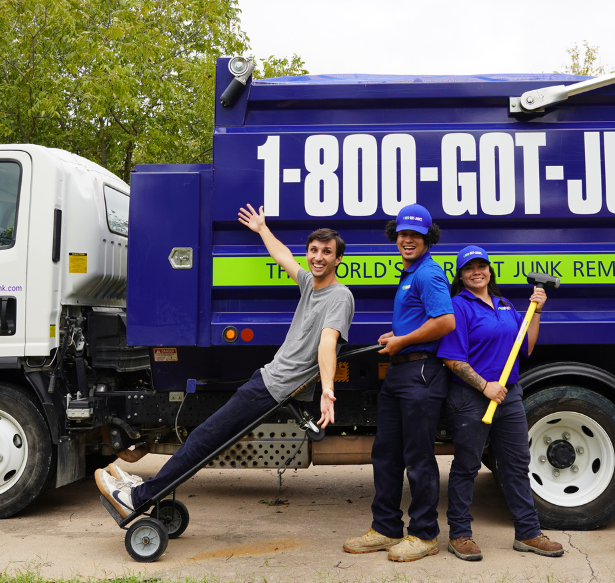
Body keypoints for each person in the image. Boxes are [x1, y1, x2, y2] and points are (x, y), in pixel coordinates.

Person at [96, 204, 354, 517]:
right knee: (207, 438)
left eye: (327, 252)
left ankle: (137, 498)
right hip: (269, 380)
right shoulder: (310, 286)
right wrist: (261, 228)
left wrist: (328, 389)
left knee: (204, 438)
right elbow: (284, 256)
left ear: (338, 259)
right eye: (313, 250)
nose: (318, 256)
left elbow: (329, 342)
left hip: (275, 386)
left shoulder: (340, 296)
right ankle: (145, 492)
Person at [436, 245, 565, 561]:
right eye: (469, 268)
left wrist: (537, 311)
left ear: (490, 270)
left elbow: (527, 345)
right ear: (462, 275)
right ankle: (460, 535)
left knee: (516, 464)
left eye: (482, 266)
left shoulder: (505, 305)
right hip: (469, 398)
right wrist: (484, 386)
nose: (477, 272)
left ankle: (528, 533)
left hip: (509, 395)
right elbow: (452, 359)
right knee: (466, 465)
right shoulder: (458, 306)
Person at [343, 203, 455, 562]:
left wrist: (403, 341)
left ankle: (424, 535)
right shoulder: (410, 274)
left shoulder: (428, 273)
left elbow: (445, 322)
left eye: (416, 235)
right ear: (396, 236)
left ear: (427, 239)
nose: (408, 240)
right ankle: (387, 528)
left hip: (420, 373)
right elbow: (424, 321)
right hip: (400, 372)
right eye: (403, 234)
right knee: (386, 454)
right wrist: (400, 334)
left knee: (418, 457)